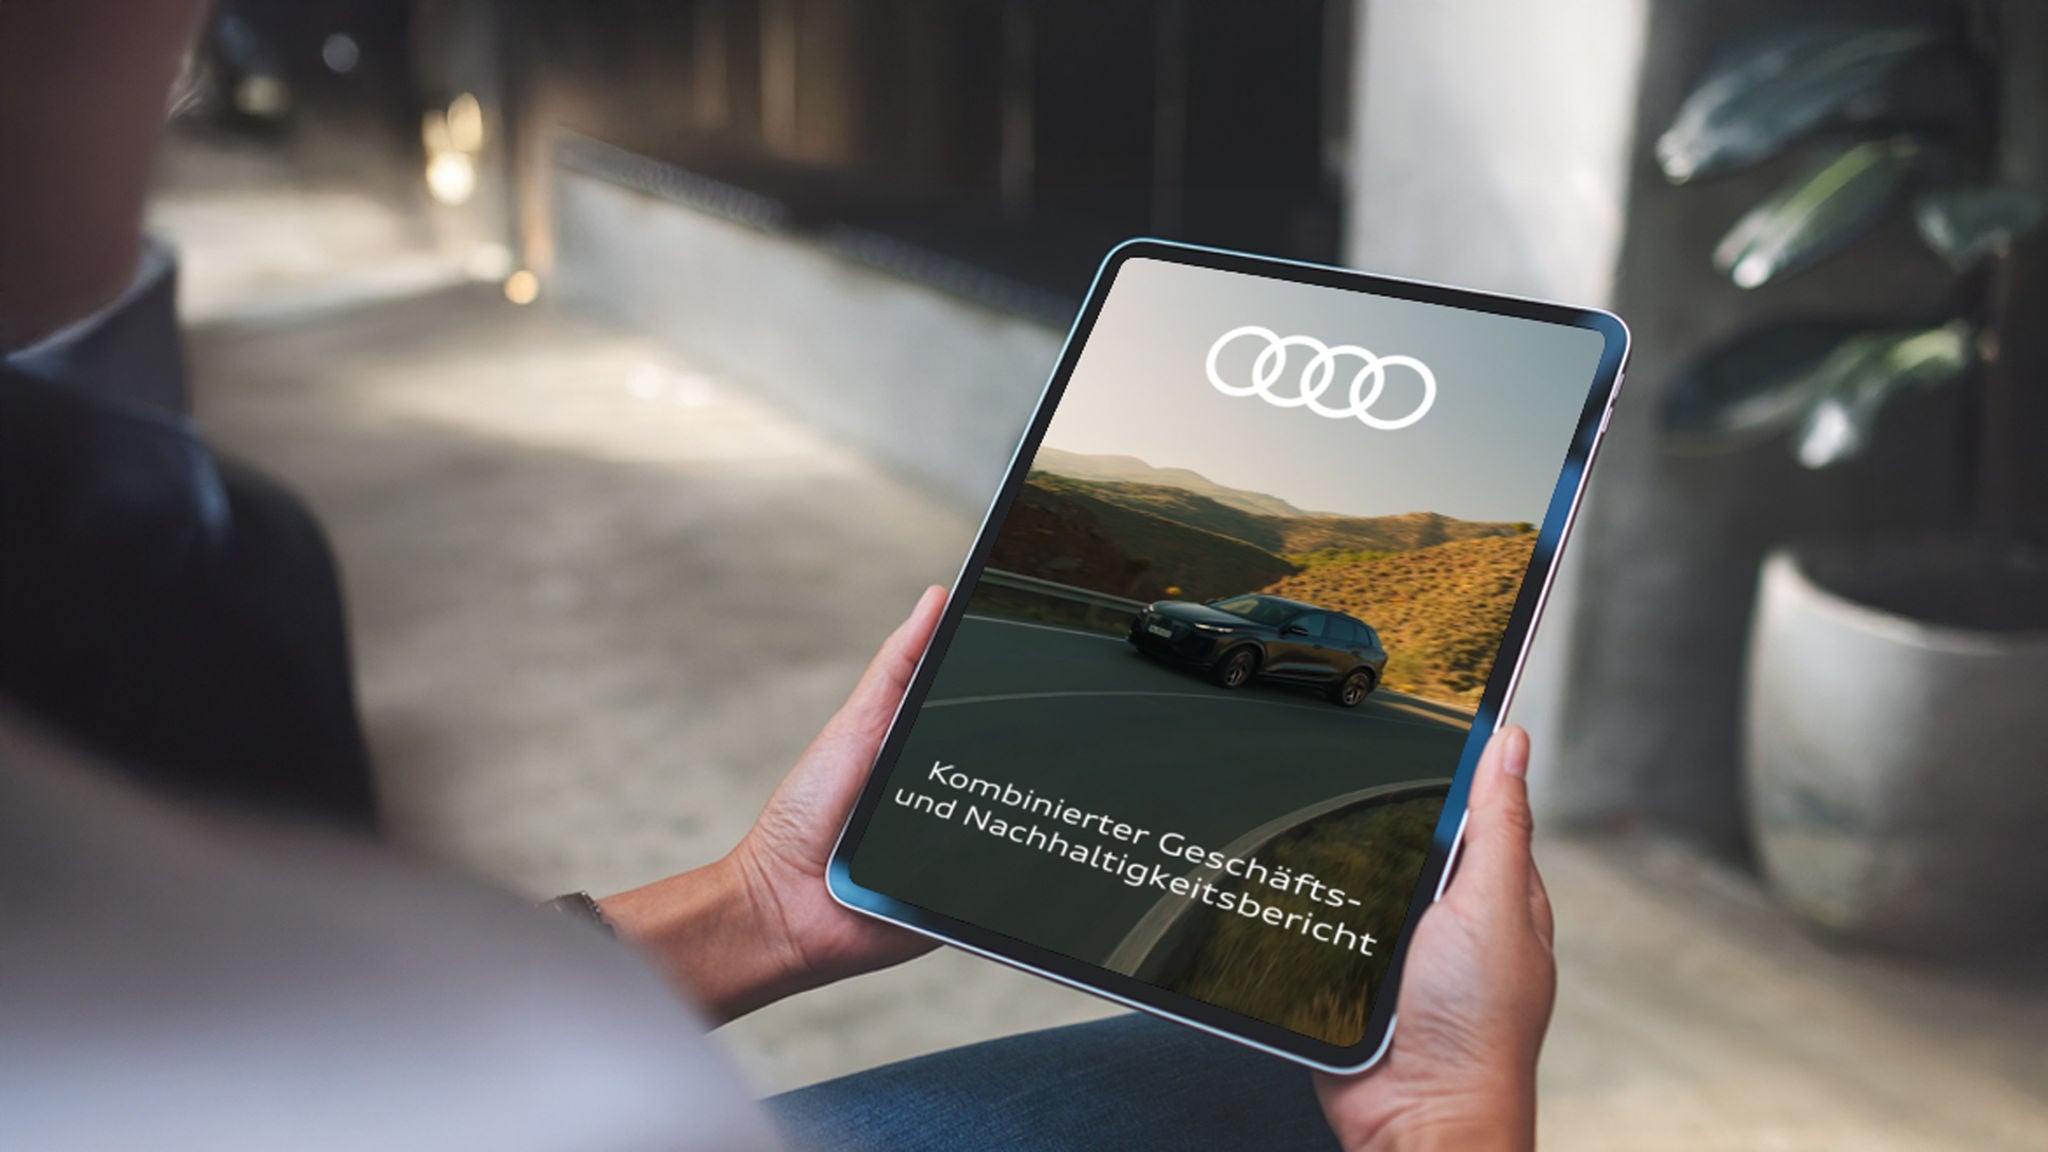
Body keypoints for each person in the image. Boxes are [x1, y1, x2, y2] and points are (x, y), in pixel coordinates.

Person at [0, 4, 1556, 1148]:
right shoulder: (171, 557)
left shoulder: (136, 540)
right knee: (1262, 1089)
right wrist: (1444, 1120)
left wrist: (762, 909)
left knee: (1218, 1063)